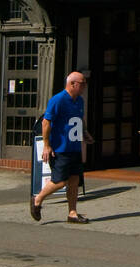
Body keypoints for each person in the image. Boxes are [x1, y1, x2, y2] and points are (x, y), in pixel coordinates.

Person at [30, 72, 94, 223]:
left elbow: (79, 119)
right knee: (60, 181)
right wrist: (47, 145)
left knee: (74, 180)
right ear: (72, 84)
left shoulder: (79, 101)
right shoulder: (58, 100)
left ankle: (72, 213)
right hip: (60, 148)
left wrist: (84, 133)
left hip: (75, 147)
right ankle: (37, 199)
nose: (84, 86)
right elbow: (46, 122)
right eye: (82, 83)